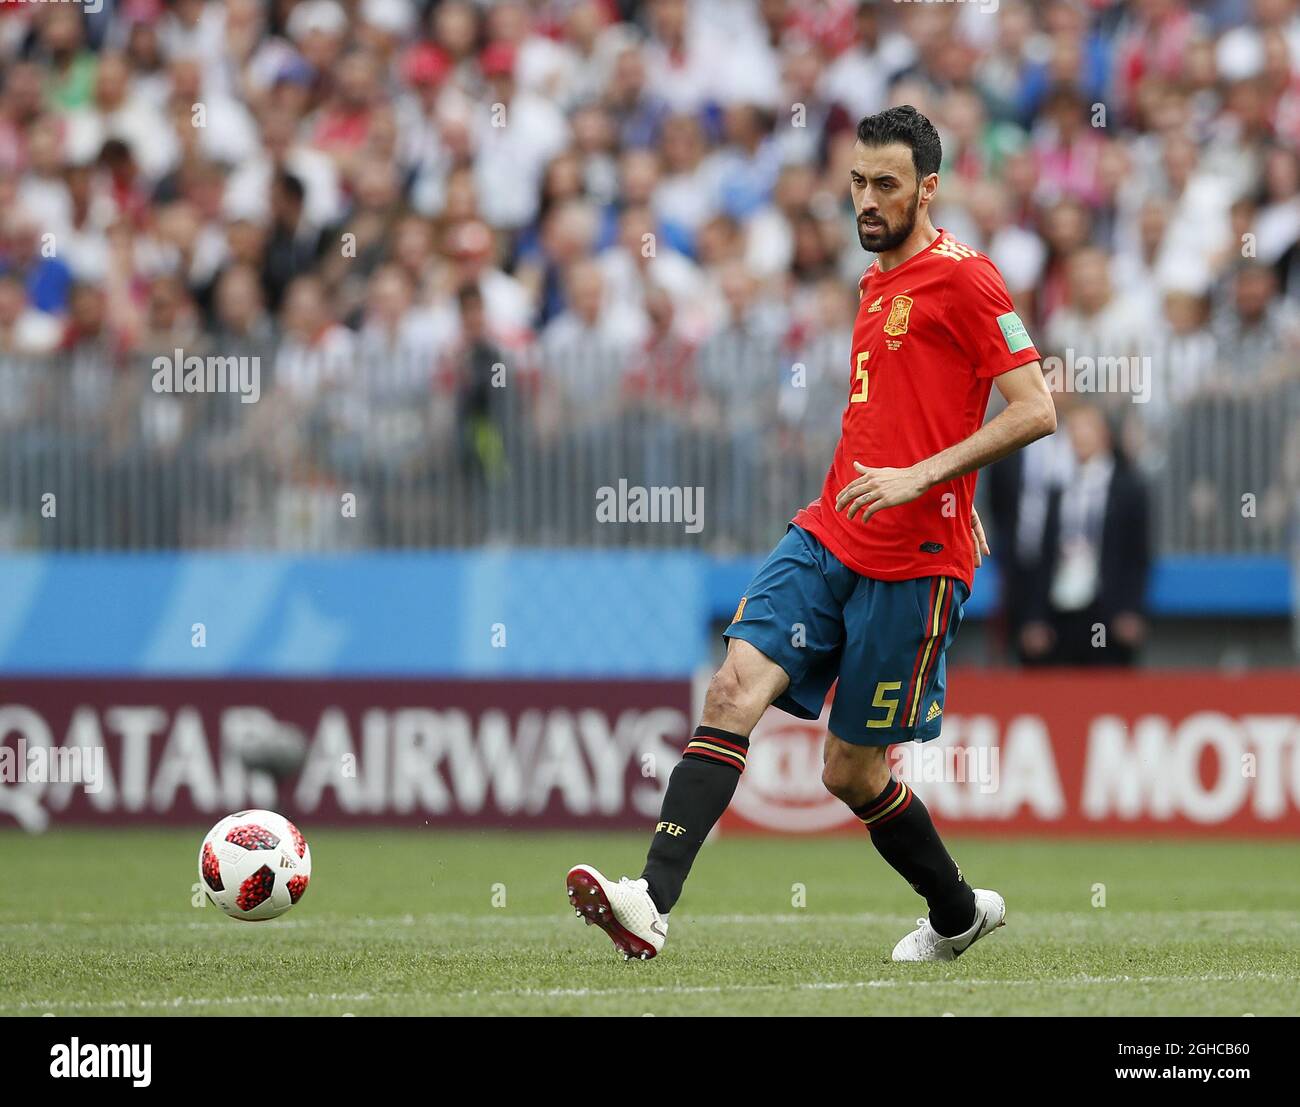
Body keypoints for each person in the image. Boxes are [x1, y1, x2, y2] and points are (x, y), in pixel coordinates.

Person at [566, 106, 1057, 963]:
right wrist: (926, 467)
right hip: (830, 528)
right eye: (858, 182)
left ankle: (954, 911)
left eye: (887, 185)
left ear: (929, 188)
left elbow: (1036, 408)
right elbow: (913, 408)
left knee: (851, 774)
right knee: (730, 691)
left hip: (915, 561)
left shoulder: (969, 279)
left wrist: (929, 478)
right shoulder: (873, 283)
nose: (866, 200)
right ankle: (649, 898)